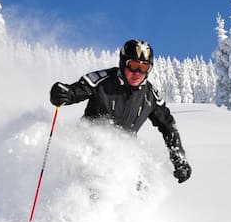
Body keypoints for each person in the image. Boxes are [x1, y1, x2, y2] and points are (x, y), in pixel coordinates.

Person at [49, 39, 192, 183]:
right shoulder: (103, 80)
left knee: (143, 180)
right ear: (123, 63)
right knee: (95, 185)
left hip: (123, 156)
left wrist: (179, 158)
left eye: (144, 68)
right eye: (134, 65)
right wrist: (64, 94)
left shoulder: (150, 96)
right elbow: (76, 91)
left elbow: (168, 126)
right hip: (88, 150)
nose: (137, 73)